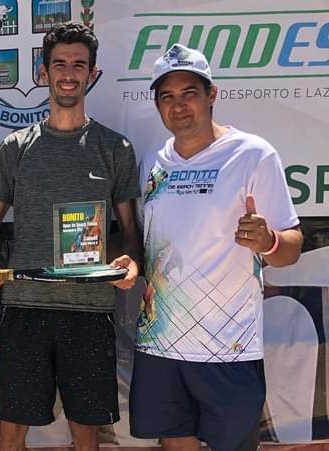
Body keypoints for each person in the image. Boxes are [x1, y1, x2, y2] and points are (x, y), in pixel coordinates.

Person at [0, 23, 141, 451]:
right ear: (43, 72)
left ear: (92, 73)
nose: (69, 73)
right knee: (11, 436)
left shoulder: (114, 148)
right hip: (26, 309)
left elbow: (131, 232)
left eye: (78, 65)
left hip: (90, 312)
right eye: (59, 64)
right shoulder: (16, 147)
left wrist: (131, 265)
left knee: (87, 438)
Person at [129, 44, 303, 451]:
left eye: (189, 92)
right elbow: (147, 245)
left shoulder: (253, 155)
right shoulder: (153, 162)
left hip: (228, 346)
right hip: (161, 343)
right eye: (166, 97)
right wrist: (128, 263)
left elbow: (291, 246)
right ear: (157, 106)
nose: (178, 105)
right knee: (174, 443)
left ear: (212, 94)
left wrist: (269, 241)